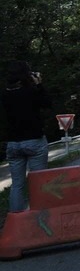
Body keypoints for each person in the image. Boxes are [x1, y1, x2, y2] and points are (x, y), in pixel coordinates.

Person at [0, 61, 52, 212]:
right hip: (34, 140)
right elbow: (47, 103)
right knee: (38, 182)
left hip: (13, 143)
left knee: (17, 185)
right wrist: (39, 84)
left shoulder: (4, 94)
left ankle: (16, 219)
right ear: (26, 74)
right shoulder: (31, 92)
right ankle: (40, 217)